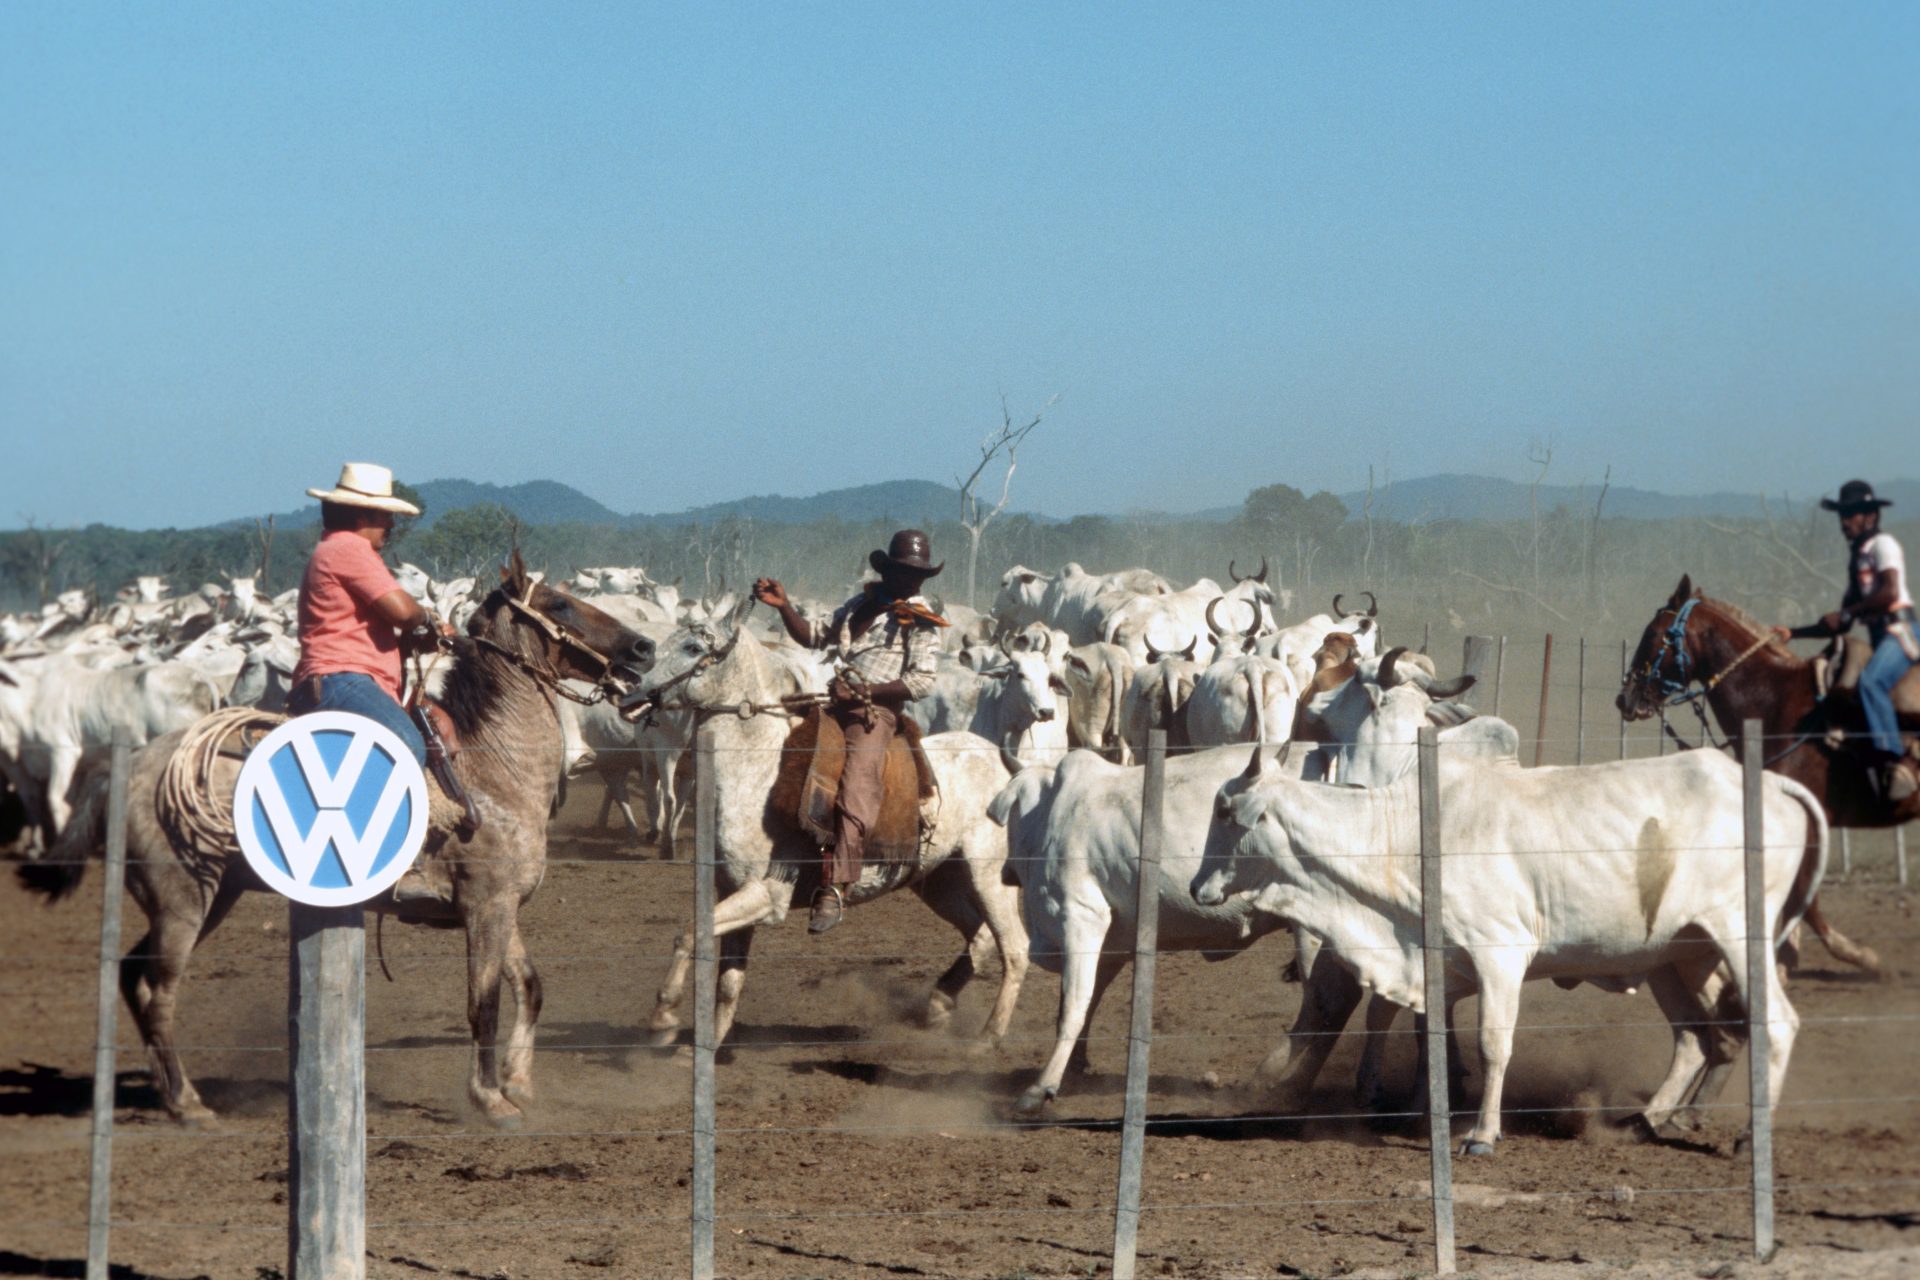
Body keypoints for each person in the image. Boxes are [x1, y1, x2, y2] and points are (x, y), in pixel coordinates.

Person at [751, 530, 947, 933]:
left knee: (858, 784)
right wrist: (783, 607)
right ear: (888, 569)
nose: (912, 580)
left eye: (918, 575)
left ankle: (836, 885)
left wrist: (864, 690)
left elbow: (923, 681)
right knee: (781, 744)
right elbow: (814, 635)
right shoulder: (862, 604)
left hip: (875, 716)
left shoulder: (922, 620)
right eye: (905, 571)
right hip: (835, 703)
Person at [288, 462, 460, 902]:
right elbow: (402, 610)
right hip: (342, 679)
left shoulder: (337, 550)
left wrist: (417, 640)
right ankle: (389, 863)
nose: (390, 525)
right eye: (385, 516)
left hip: (345, 677)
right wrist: (429, 619)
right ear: (362, 516)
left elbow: (377, 629)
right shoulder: (349, 549)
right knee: (404, 743)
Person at [1774, 479, 1919, 803]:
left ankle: (1893, 759)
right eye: (1843, 514)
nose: (1844, 521)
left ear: (1870, 515)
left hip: (1901, 632)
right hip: (1882, 636)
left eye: (1851, 513)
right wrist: (1794, 634)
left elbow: (1891, 592)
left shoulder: (1883, 545)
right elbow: (1840, 621)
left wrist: (1849, 612)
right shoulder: (1859, 560)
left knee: (1870, 683)